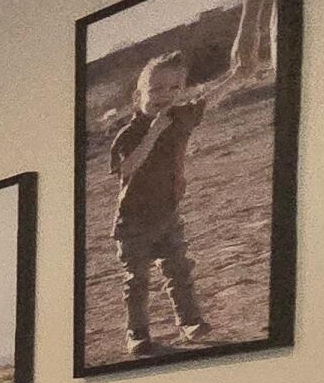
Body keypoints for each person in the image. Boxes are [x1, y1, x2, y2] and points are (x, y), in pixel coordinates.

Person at [99, 48, 253, 359]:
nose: (164, 96)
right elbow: (127, 169)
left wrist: (235, 76)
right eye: (155, 89)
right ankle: (138, 334)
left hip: (168, 214)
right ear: (138, 95)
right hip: (133, 222)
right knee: (137, 281)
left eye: (173, 88)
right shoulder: (130, 133)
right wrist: (154, 133)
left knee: (179, 271)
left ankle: (190, 322)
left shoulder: (180, 116)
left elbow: (209, 99)